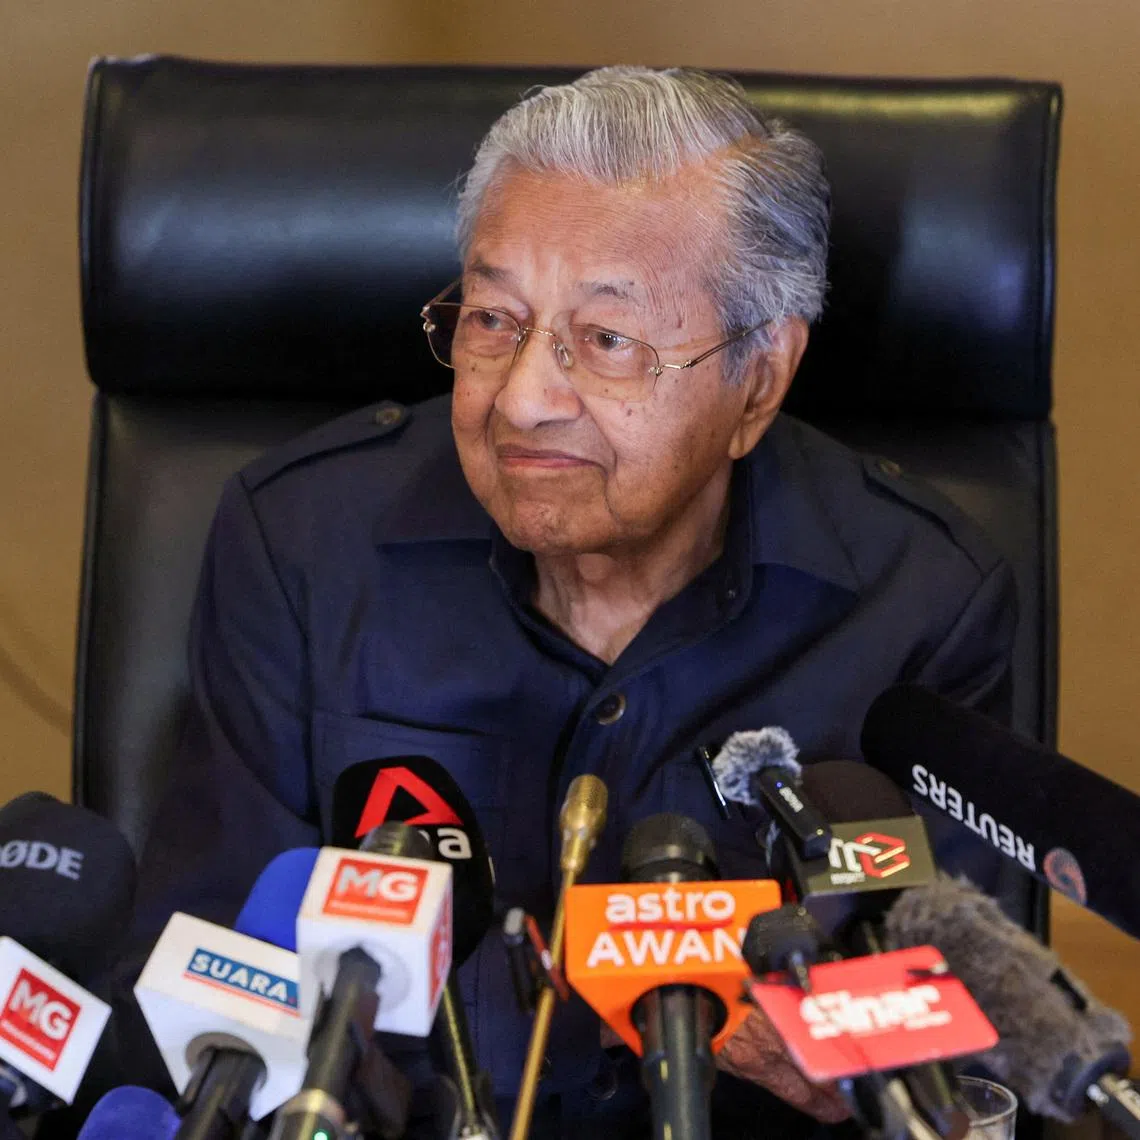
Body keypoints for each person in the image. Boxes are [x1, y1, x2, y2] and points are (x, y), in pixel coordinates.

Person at [120, 66, 1018, 1138]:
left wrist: (868, 1076)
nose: (524, 398)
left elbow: (966, 1044)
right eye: (493, 319)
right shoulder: (302, 549)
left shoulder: (921, 605)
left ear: (760, 376)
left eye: (606, 342)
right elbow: (208, 995)